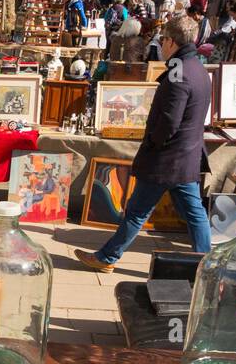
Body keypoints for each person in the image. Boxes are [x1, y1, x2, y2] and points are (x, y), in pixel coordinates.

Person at [75, 15, 213, 272]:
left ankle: (107, 258)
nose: (161, 45)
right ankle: (206, 263)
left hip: (167, 158)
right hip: (185, 156)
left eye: (163, 40)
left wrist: (153, 142)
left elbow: (169, 121)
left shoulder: (179, 73)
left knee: (138, 212)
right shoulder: (198, 69)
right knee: (194, 214)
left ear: (171, 41)